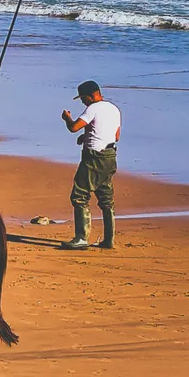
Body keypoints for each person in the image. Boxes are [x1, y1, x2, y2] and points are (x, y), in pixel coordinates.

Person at [61, 80, 121, 250]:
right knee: (106, 198)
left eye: (83, 98)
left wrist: (67, 118)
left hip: (94, 157)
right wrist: (85, 136)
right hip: (110, 156)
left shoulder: (93, 108)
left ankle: (81, 238)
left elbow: (73, 127)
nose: (82, 101)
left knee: (79, 195)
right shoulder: (114, 109)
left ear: (92, 95)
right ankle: (109, 239)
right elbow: (115, 135)